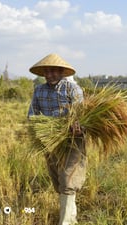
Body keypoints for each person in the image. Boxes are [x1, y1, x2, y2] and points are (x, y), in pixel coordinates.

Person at [28, 53, 86, 225]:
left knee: (68, 179)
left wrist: (78, 126)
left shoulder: (72, 89)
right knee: (58, 180)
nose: (49, 75)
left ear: (62, 72)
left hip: (72, 141)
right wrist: (37, 128)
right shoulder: (39, 90)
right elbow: (32, 114)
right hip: (49, 141)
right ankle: (71, 218)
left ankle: (65, 222)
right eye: (46, 72)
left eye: (53, 71)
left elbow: (81, 115)